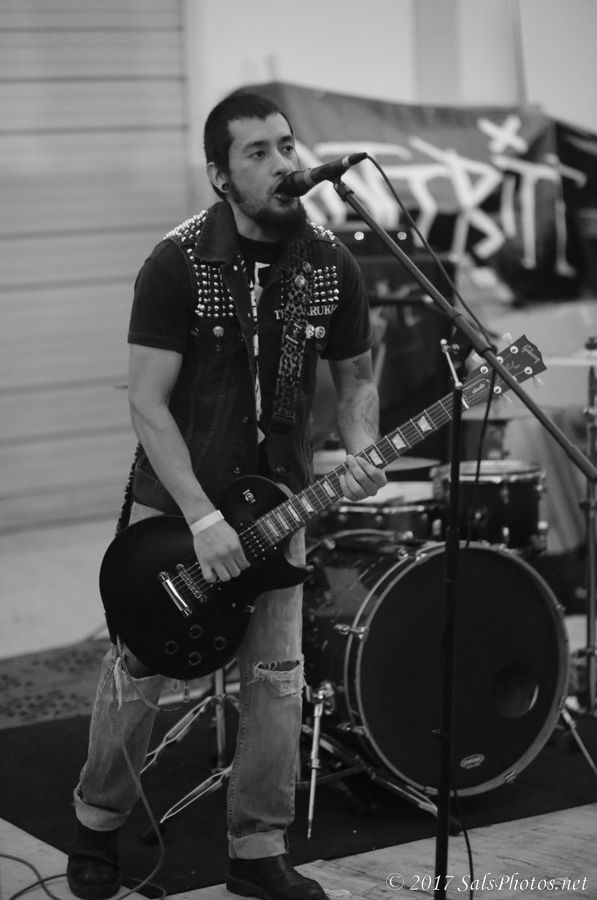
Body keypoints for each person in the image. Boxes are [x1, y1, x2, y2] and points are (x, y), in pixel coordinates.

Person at [66, 91, 386, 900]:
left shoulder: (330, 263)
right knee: (141, 665)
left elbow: (357, 380)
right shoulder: (177, 264)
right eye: (258, 152)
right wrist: (203, 518)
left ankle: (257, 850)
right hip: (176, 501)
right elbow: (147, 404)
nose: (284, 163)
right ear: (221, 176)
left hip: (280, 502)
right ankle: (96, 824)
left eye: (287, 145)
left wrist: (360, 448)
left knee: (275, 676)